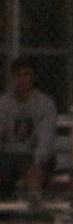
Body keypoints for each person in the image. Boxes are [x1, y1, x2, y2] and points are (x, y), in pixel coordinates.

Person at [0, 58, 58, 208]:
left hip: (33, 154)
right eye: (18, 75)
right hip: (8, 154)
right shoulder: (4, 103)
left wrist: (38, 162)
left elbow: (46, 137)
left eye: (27, 75)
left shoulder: (45, 103)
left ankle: (35, 211)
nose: (22, 79)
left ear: (33, 78)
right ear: (13, 78)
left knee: (36, 171)